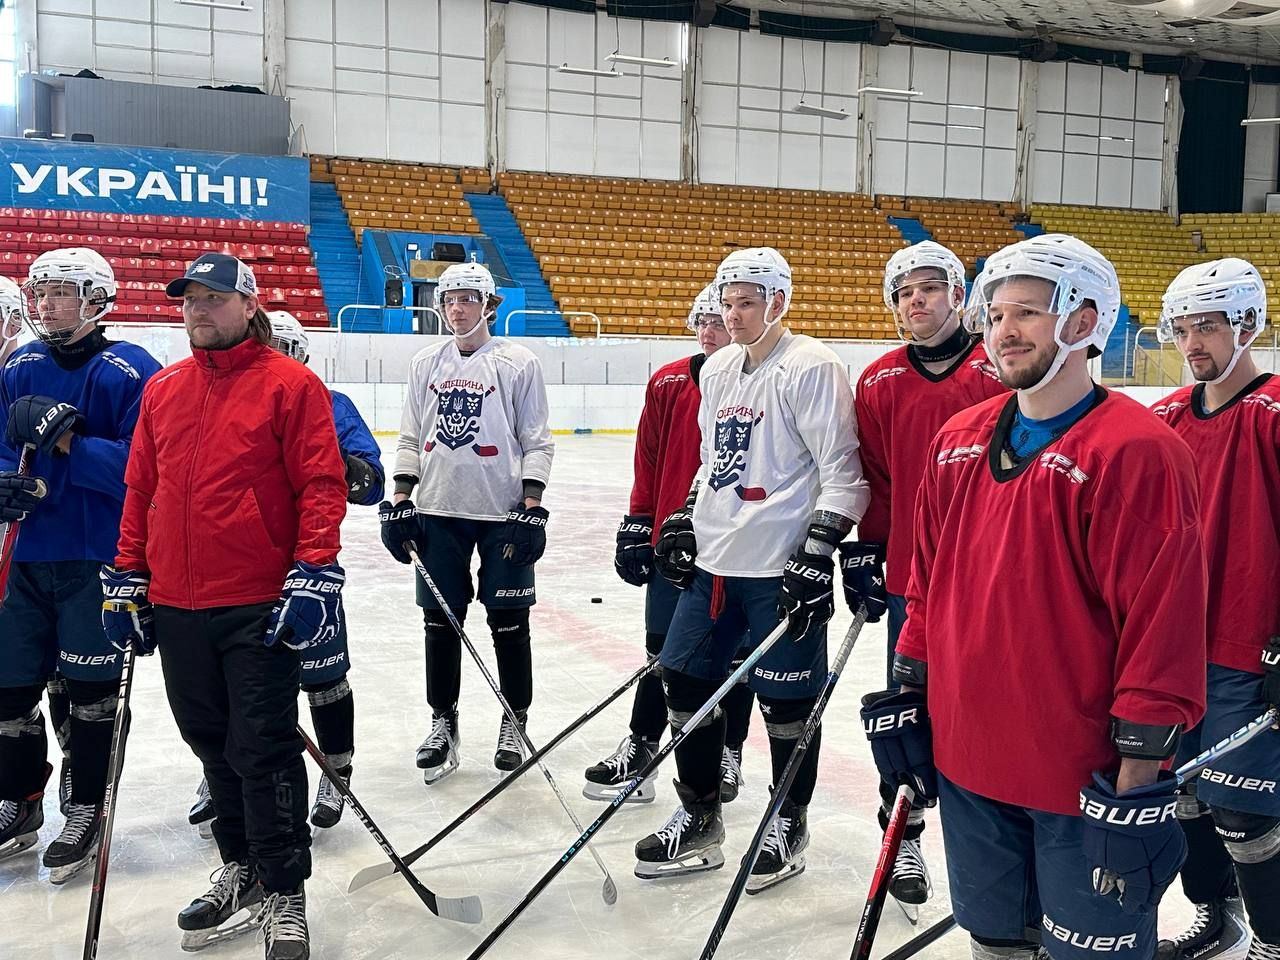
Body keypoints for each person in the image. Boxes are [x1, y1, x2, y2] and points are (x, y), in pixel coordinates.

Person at [864, 234, 1207, 960]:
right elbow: (926, 579)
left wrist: (1141, 765)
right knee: (994, 943)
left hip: (1079, 776)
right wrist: (909, 680)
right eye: (995, 312)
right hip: (968, 757)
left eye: (1027, 311)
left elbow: (1162, 625)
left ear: (1084, 323)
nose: (1003, 329)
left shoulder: (1137, 450)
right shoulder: (957, 439)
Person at [106, 252, 348, 960]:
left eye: (213, 299)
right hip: (178, 602)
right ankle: (240, 865)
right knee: (209, 742)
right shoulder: (165, 389)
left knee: (264, 749)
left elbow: (321, 485)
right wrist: (127, 573)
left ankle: (285, 890)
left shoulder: (290, 384)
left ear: (248, 306)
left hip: (257, 602)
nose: (197, 311)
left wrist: (313, 572)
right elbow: (141, 490)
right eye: (188, 301)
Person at [636, 247, 870, 892]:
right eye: (726, 302)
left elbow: (843, 476)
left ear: (778, 303)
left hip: (777, 567)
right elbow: (713, 463)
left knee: (786, 704)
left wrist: (818, 551)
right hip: (714, 563)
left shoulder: (812, 366)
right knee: (683, 681)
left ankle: (788, 820)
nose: (732, 315)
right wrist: (685, 520)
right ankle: (701, 815)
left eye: (746, 303)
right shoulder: (717, 370)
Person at [188, 311, 383, 835]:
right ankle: (228, 770)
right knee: (238, 685)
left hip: (307, 569)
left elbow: (371, 481)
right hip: (237, 571)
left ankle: (336, 768)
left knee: (323, 675)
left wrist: (349, 467)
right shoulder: (220, 399)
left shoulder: (330, 404)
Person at [0, 248, 160, 883]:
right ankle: (21, 798)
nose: (45, 305)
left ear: (98, 299)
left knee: (92, 697)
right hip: (24, 555)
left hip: (95, 557)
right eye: (39, 293)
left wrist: (71, 443)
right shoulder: (22, 365)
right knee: (8, 692)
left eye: (61, 292)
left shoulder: (132, 371)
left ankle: (86, 805)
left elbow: (143, 469)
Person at [855, 240, 1006, 915]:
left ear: (958, 295)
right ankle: (904, 833)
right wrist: (867, 548)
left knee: (992, 713)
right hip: (910, 582)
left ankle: (1002, 833)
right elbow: (876, 479)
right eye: (904, 291)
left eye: (929, 287)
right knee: (907, 714)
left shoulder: (997, 369)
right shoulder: (881, 379)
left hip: (992, 579)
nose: (916, 300)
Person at [1150, 258, 1280, 960]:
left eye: (1207, 325)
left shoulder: (1274, 412)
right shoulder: (1165, 417)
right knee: (1186, 798)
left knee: (1243, 806)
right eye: (1181, 327)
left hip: (1245, 647)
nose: (1191, 341)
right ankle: (1216, 916)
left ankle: (1274, 938)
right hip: (1175, 648)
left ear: (1247, 323)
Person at [381, 260, 554, 784]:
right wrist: (401, 497)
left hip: (502, 513)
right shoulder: (425, 363)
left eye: (468, 300)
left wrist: (532, 503)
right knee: (440, 622)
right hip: (437, 510)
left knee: (508, 623)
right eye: (449, 300)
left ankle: (514, 719)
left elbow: (537, 438)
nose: (457, 309)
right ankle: (443, 721)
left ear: (489, 305)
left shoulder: (517, 362)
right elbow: (411, 435)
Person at [586, 283, 755, 806]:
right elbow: (649, 459)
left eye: (720, 321)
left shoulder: (760, 382)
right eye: (702, 320)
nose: (710, 331)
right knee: (663, 652)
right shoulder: (668, 382)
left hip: (737, 544)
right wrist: (639, 522)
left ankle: (729, 749)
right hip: (673, 543)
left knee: (734, 659)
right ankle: (643, 745)